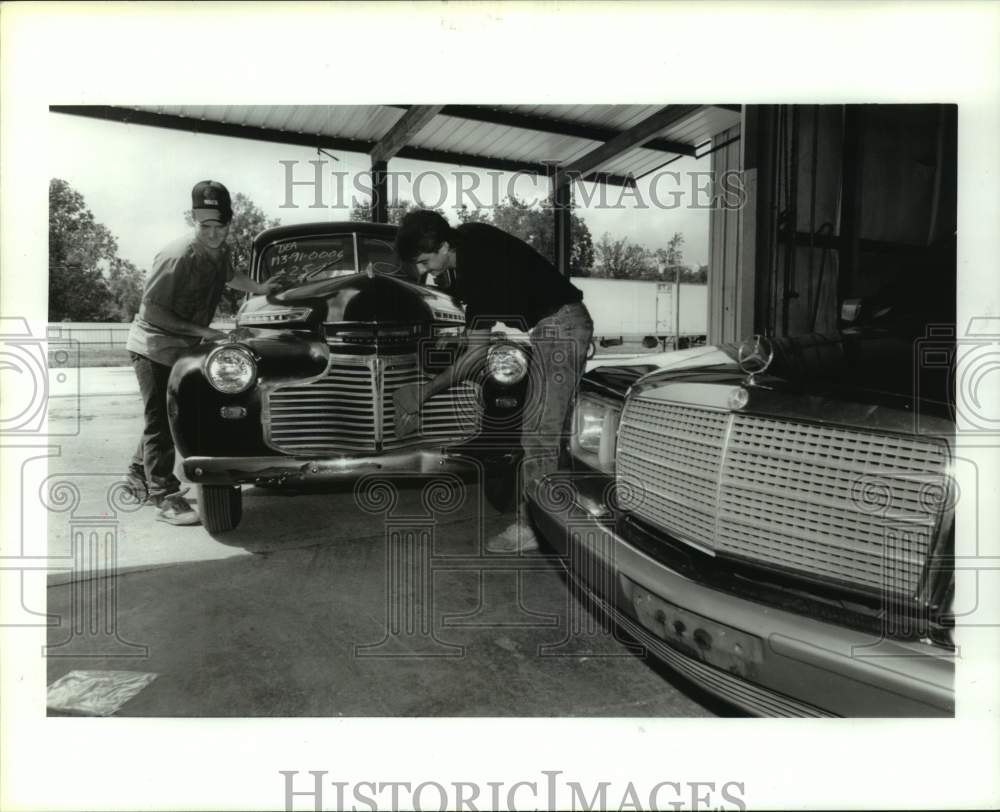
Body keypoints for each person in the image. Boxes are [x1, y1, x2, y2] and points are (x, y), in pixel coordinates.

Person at [393, 210, 593, 552]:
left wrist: (424, 393)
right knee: (549, 429)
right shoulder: (472, 237)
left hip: (561, 328)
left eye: (425, 261)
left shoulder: (477, 273)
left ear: (444, 247)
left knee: (539, 432)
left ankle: (534, 527)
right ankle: (556, 514)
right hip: (557, 326)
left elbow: (475, 354)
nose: (425, 271)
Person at [123, 180, 275, 525]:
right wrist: (206, 332)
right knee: (161, 421)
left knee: (167, 416)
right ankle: (164, 496)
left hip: (182, 346)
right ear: (194, 220)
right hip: (153, 346)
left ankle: (136, 473)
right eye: (205, 226)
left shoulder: (220, 250)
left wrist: (261, 287)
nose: (213, 234)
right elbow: (152, 312)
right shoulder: (177, 255)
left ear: (229, 222)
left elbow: (230, 276)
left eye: (219, 226)